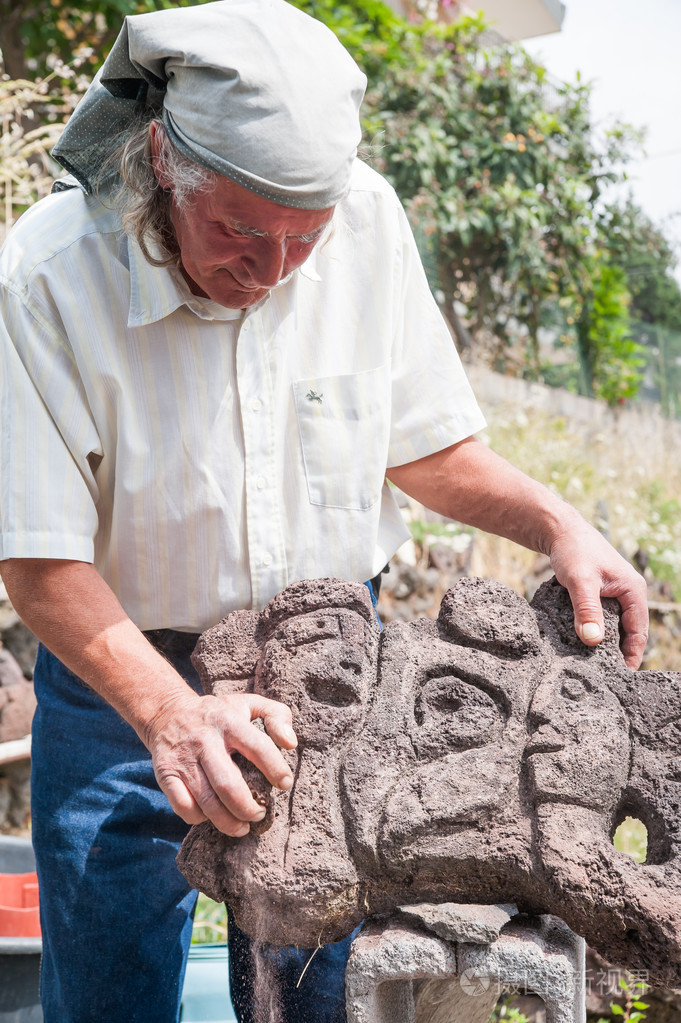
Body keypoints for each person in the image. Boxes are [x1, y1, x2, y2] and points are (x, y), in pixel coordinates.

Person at [0, 2, 648, 1021]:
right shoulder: (47, 275)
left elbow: (425, 447)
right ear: (163, 160)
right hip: (127, 685)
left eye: (305, 239)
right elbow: (39, 560)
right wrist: (172, 714)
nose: (272, 272)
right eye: (239, 232)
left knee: (325, 994)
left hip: (334, 684)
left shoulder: (369, 217)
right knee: (107, 993)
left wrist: (558, 523)